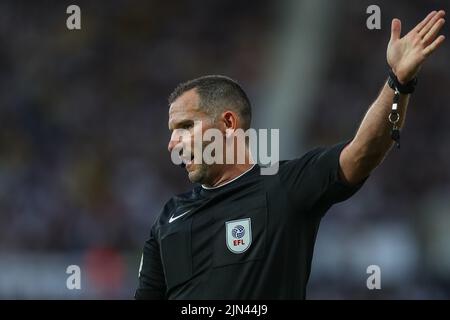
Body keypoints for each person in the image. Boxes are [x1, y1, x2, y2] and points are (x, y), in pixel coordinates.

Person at [135, 11, 446, 299]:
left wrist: (399, 83)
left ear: (228, 124)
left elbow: (366, 150)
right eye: (172, 130)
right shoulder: (169, 217)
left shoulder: (284, 187)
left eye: (186, 126)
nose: (173, 143)